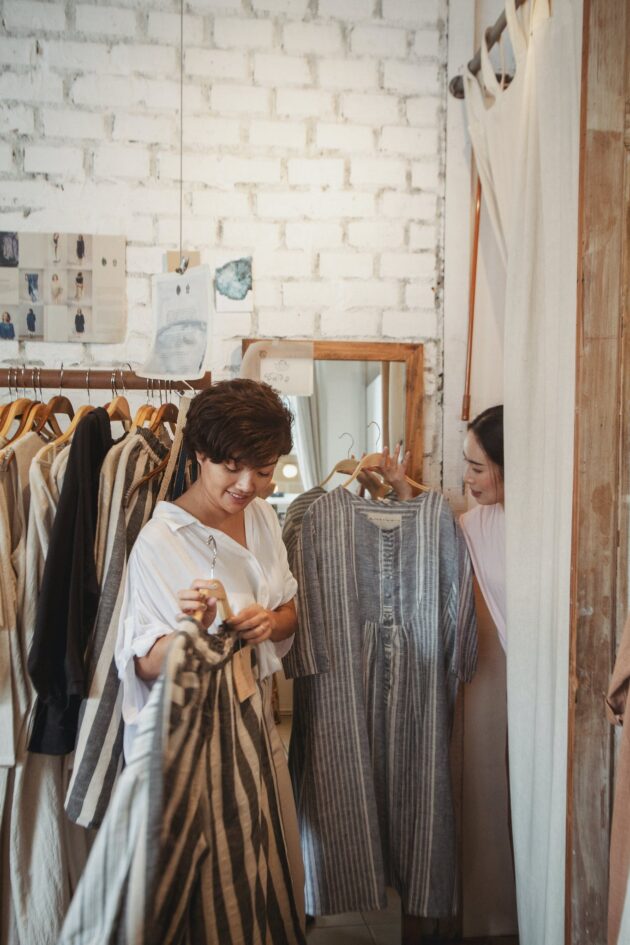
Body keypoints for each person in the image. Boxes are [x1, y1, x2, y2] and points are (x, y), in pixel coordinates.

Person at [114, 378, 304, 920]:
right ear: (200, 455)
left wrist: (269, 621)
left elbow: (291, 609)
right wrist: (193, 633)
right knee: (213, 890)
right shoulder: (162, 539)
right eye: (232, 467)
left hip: (258, 720)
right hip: (197, 739)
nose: (248, 484)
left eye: (264, 471)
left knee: (267, 869)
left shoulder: (264, 519)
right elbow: (142, 662)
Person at [369, 405, 505, 649]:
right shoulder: (474, 526)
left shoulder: (553, 529)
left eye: (477, 468)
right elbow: (428, 563)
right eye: (467, 465)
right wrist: (403, 491)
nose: (467, 477)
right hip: (521, 667)